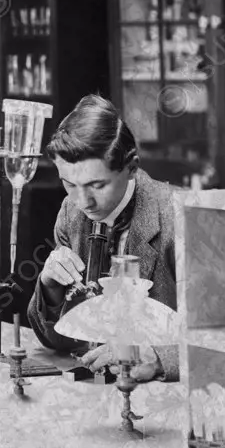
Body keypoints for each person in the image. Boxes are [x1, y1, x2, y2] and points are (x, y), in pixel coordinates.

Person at [27, 94, 178, 382]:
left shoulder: (177, 218)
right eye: (69, 184)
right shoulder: (70, 214)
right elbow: (59, 343)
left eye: (97, 185)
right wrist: (50, 289)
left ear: (131, 167)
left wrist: (157, 358)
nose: (84, 201)